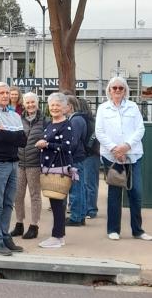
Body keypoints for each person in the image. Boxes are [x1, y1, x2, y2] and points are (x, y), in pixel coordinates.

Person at [95, 76, 152, 241]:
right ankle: (113, 229)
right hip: (110, 156)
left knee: (136, 192)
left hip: (132, 154)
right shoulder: (103, 108)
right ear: (109, 91)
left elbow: (140, 129)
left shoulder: (133, 107)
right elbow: (100, 131)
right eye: (115, 88)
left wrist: (126, 146)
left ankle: (138, 230)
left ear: (125, 90)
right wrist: (115, 149)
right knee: (114, 193)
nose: (118, 91)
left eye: (121, 88)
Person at [0, 82, 27, 256]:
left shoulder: (14, 115)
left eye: (7, 93)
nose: (5, 95)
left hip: (13, 162)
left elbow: (23, 140)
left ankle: (5, 235)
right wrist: (12, 134)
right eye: (1, 93)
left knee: (9, 202)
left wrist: (8, 132)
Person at [36, 92, 74, 248]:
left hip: (59, 168)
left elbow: (67, 147)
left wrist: (46, 145)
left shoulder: (67, 125)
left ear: (65, 108)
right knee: (55, 202)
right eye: (52, 105)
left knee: (58, 203)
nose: (54, 108)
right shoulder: (49, 124)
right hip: (49, 168)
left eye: (58, 105)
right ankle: (57, 235)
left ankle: (58, 236)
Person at [10, 92, 45, 240]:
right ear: (23, 104)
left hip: (34, 163)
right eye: (27, 102)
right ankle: (19, 223)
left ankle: (34, 225)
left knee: (35, 195)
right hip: (19, 162)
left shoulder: (44, 121)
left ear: (37, 103)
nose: (30, 105)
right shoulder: (18, 119)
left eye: (33, 102)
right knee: (17, 195)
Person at [65, 96, 87, 226]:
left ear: (70, 106)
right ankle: (80, 215)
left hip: (75, 158)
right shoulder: (77, 119)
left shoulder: (76, 120)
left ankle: (76, 217)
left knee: (75, 189)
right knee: (79, 187)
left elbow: (73, 141)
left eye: (64, 104)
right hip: (79, 156)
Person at [78, 98, 100, 219]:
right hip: (93, 154)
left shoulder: (83, 120)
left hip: (89, 155)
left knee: (89, 183)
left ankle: (91, 209)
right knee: (91, 183)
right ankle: (89, 208)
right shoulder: (91, 120)